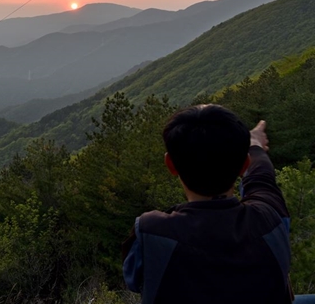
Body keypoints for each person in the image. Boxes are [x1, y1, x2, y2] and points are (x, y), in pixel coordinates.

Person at [122, 104, 292, 304]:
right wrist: (255, 146)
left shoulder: (151, 233)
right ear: (244, 165)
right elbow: (262, 178)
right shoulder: (271, 218)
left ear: (171, 165)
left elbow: (133, 279)